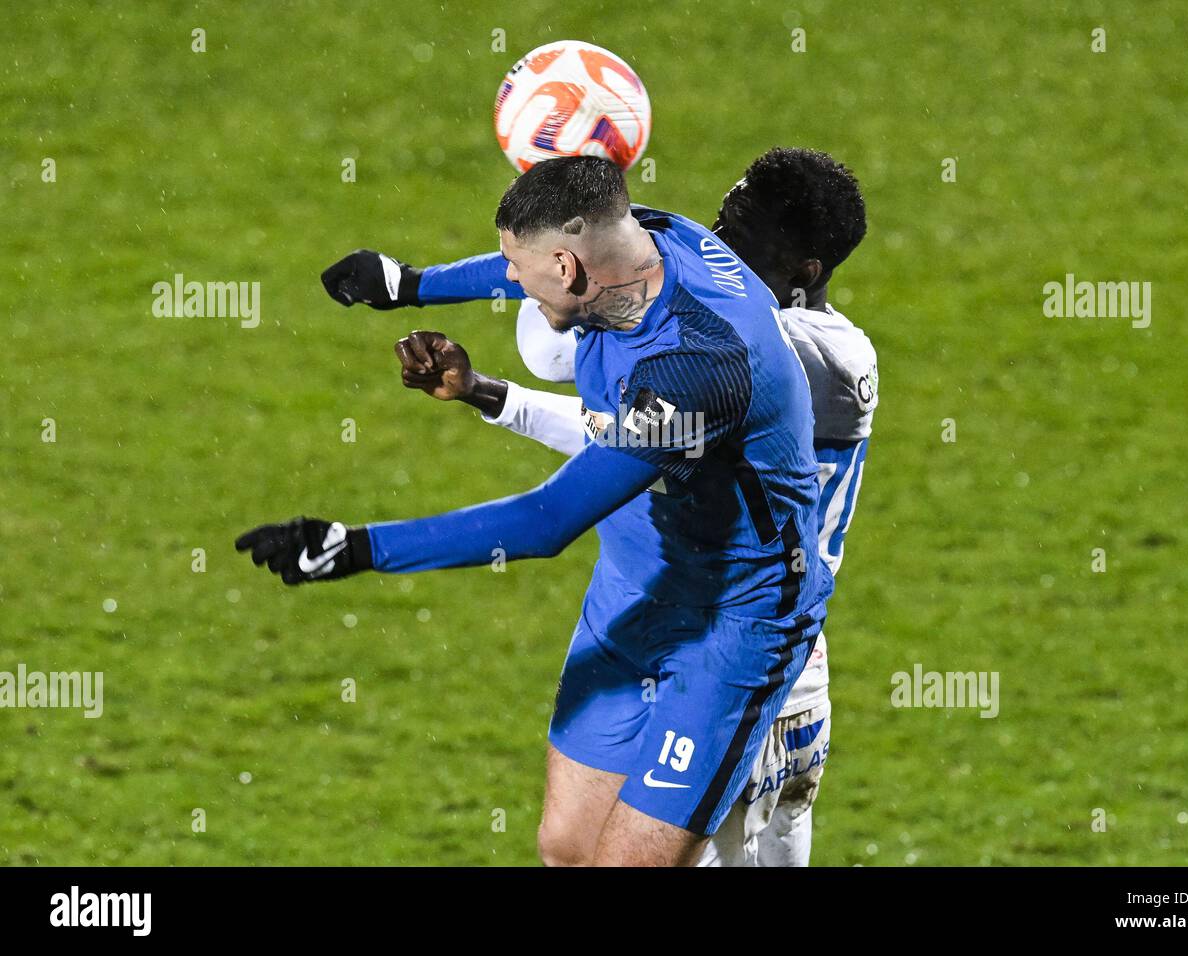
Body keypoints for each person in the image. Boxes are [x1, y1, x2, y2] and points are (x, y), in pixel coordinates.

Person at [238, 156, 831, 866]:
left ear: (568, 267)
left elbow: (546, 522)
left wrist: (356, 546)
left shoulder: (700, 365)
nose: (509, 280)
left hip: (734, 626)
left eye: (520, 268)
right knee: (570, 849)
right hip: (634, 588)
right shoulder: (648, 237)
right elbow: (528, 260)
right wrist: (411, 287)